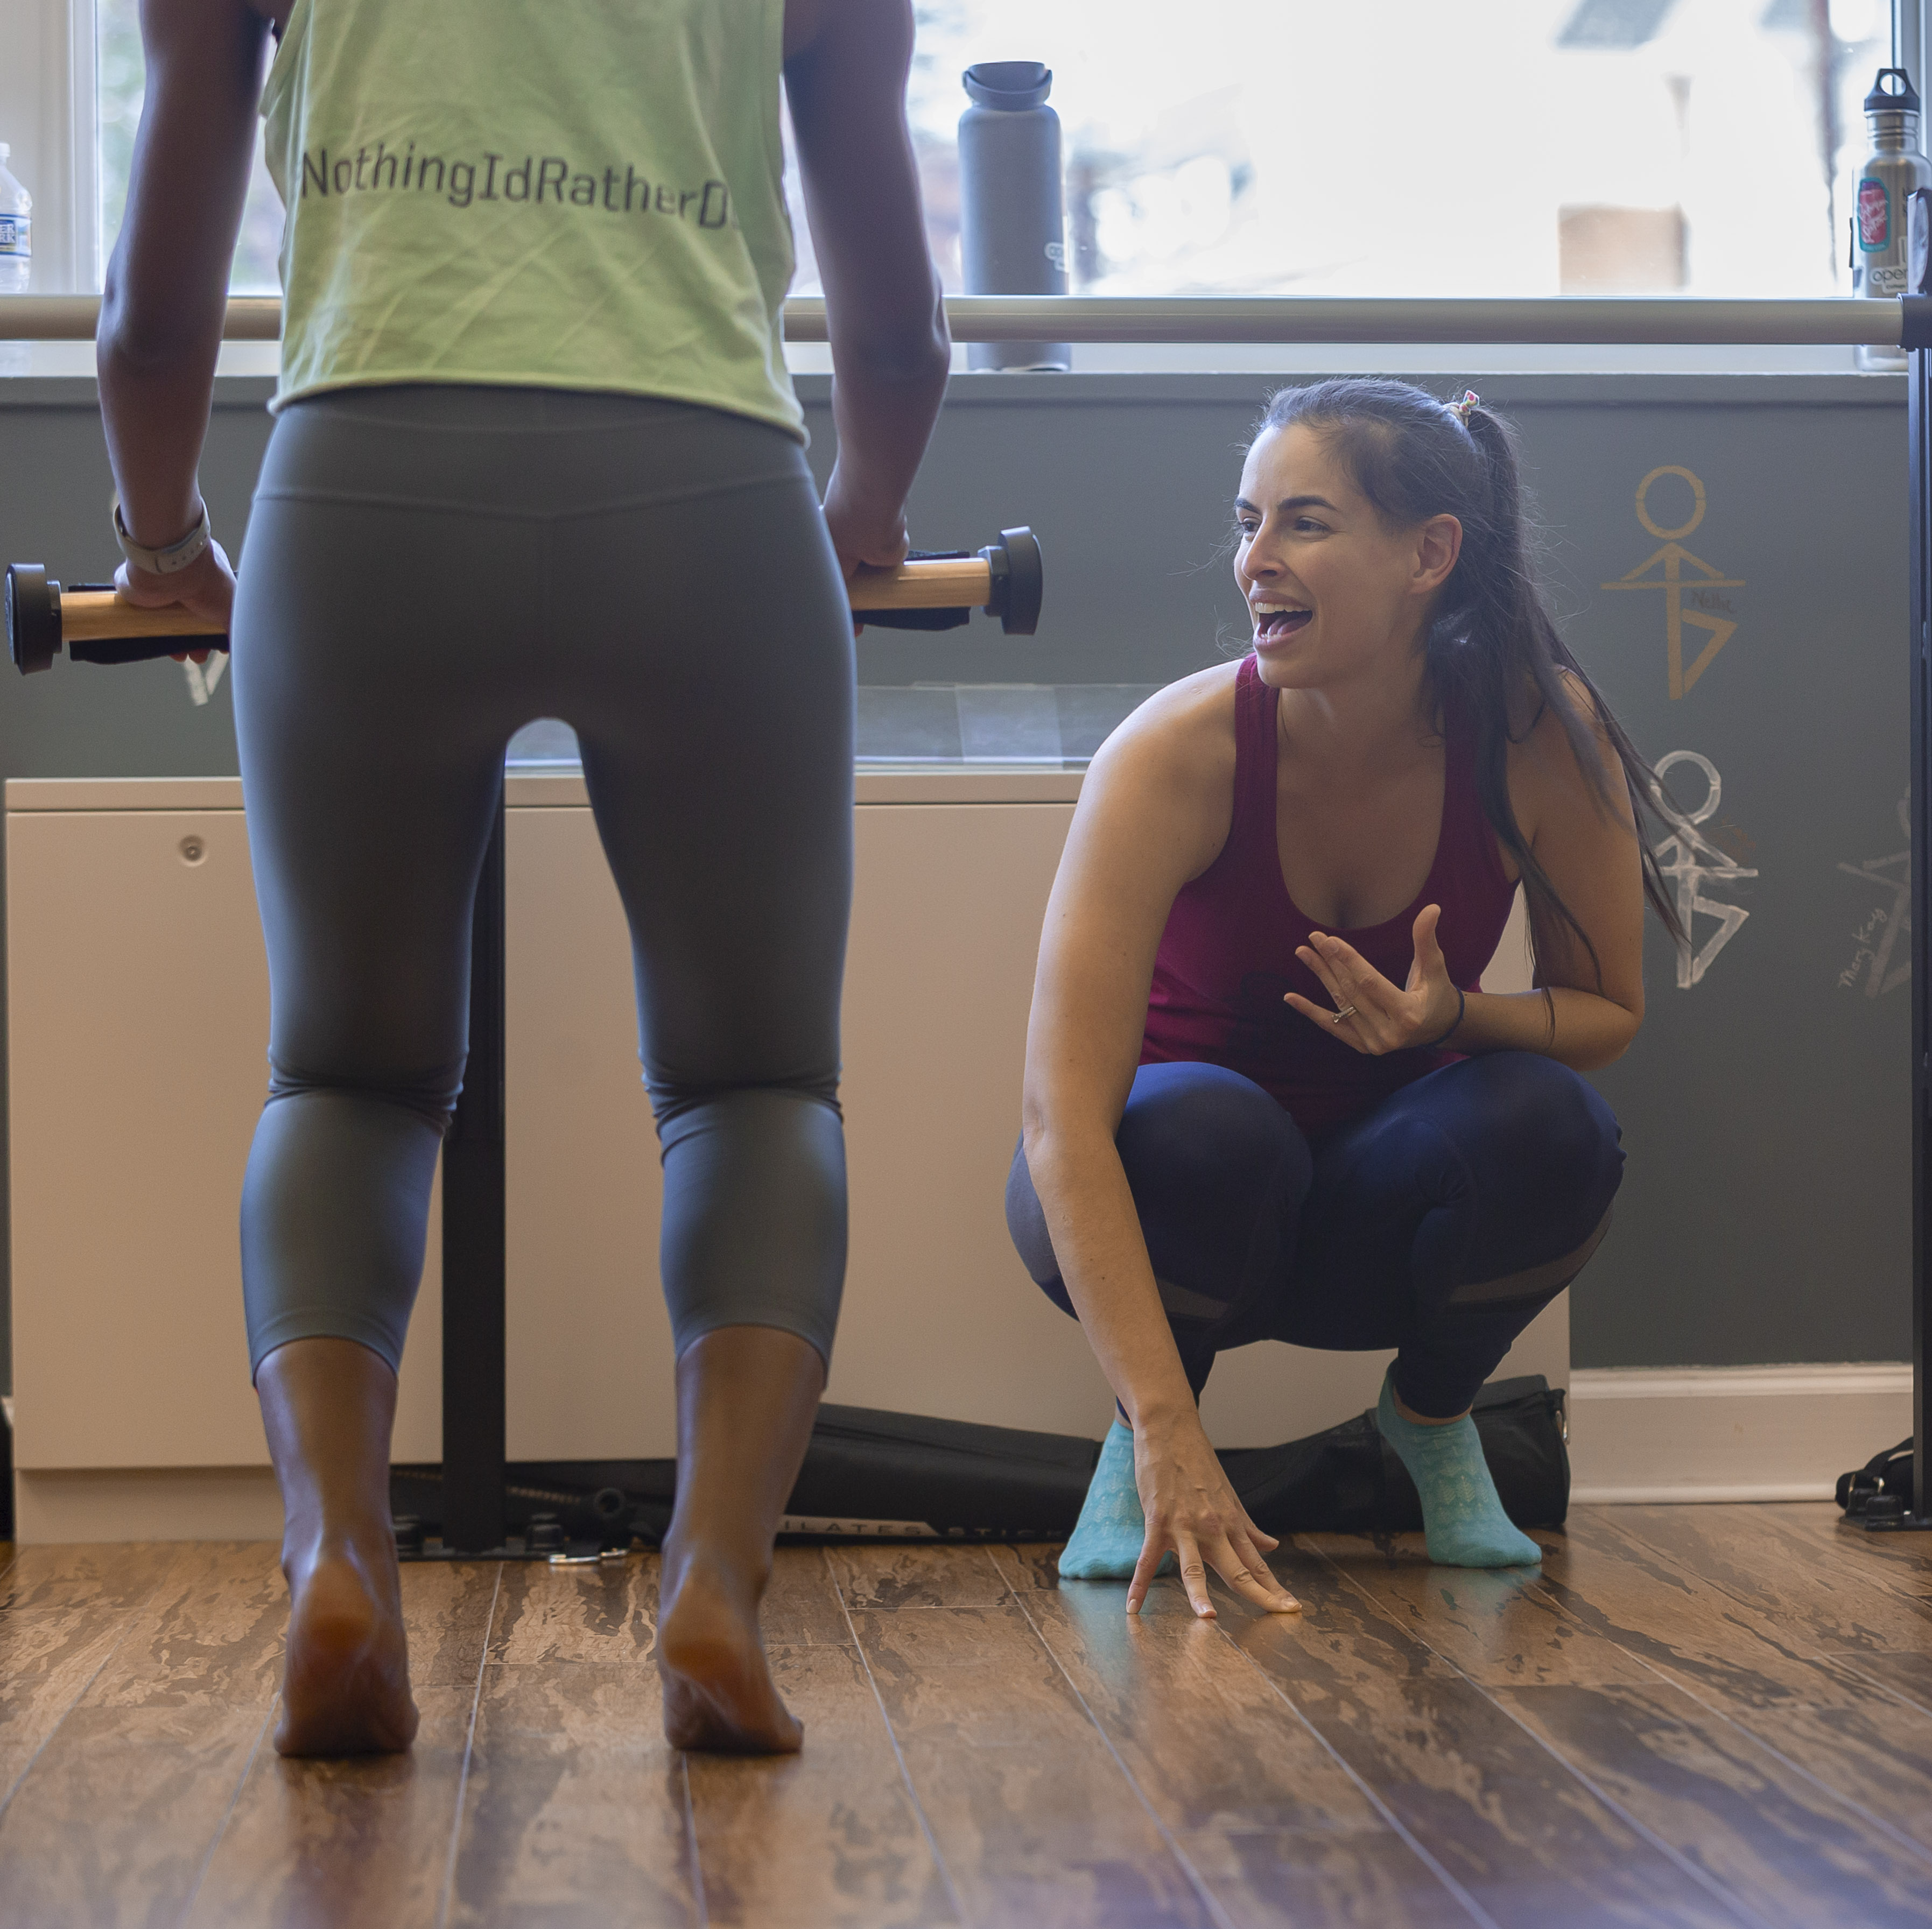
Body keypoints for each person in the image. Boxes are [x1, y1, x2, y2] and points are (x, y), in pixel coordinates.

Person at [102, 0, 946, 1753]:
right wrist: (863, 522)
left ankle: (340, 1555)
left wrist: (167, 540)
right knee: (752, 1078)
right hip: (706, 487)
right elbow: (898, 330)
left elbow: (152, 316)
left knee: (346, 1071)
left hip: (365, 486)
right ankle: (712, 1581)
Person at [1010, 380, 1675, 1617]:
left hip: (1377, 1215)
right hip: (1189, 1210)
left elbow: (1608, 1012)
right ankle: (1145, 1445)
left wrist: (1450, 1021)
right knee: (1217, 1131)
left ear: (1430, 554)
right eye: (1247, 521)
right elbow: (1061, 1126)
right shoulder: (1174, 753)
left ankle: (1428, 1419)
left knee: (1553, 1123)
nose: (1254, 561)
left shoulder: (1536, 734)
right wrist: (1161, 1423)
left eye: (1302, 523)